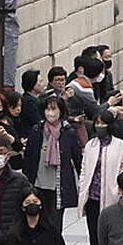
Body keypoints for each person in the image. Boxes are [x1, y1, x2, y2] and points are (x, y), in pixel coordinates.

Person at [78, 111, 123, 245]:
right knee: (93, 228)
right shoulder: (90, 145)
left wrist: (118, 189)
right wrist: (82, 185)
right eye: (97, 123)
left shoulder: (119, 145)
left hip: (111, 194)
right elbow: (84, 168)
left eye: (103, 123)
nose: (100, 126)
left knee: (111, 229)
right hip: (92, 194)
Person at [22, 95, 82, 231]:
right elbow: (29, 158)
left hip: (59, 186)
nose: (50, 113)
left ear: (61, 111)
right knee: (37, 222)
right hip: (38, 184)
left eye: (54, 109)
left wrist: (82, 184)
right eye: (47, 109)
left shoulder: (68, 132)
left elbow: (78, 160)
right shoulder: (37, 130)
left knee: (55, 224)